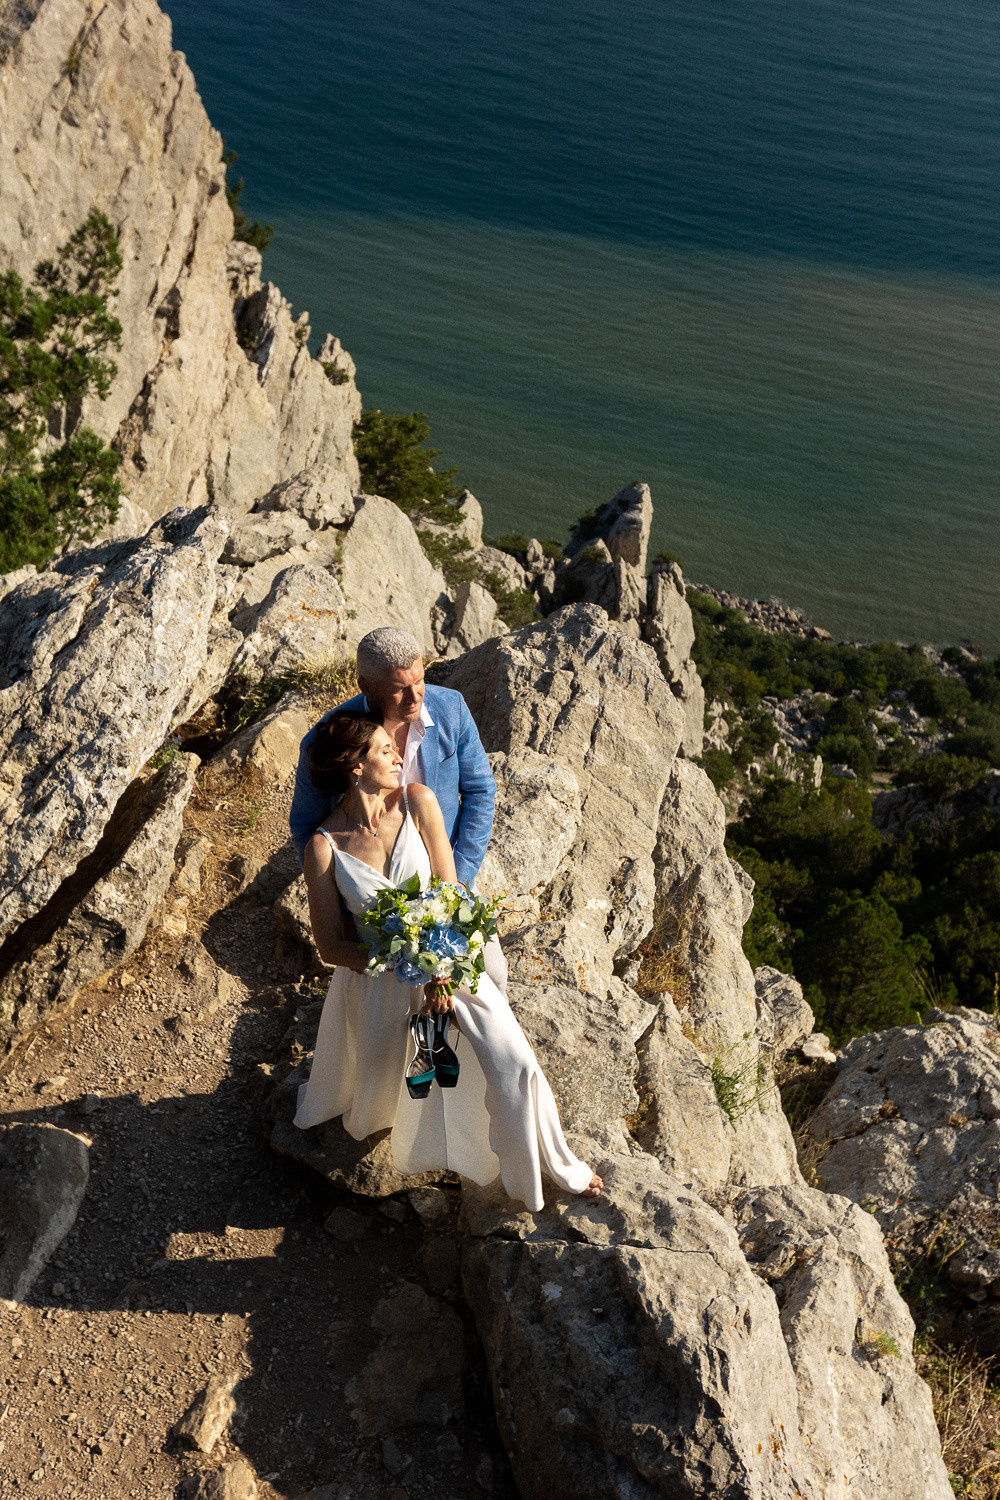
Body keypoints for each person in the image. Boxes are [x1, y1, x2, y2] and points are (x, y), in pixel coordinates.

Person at [292, 710, 603, 1210]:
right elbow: (330, 946)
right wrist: (401, 961)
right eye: (383, 749)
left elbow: (453, 891)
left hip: (455, 965)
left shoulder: (418, 802)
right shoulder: (324, 848)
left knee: (514, 1063)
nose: (398, 756)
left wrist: (437, 966)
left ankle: (552, 1168)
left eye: (395, 749)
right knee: (394, 1086)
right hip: (383, 986)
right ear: (355, 766)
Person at [290, 626, 508, 995]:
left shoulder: (451, 708)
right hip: (376, 905)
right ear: (366, 686)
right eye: (398, 688)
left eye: (419, 680)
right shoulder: (328, 741)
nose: (414, 696)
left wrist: (456, 887)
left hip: (445, 884)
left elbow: (480, 793)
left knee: (492, 978)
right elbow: (306, 826)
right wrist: (343, 911)